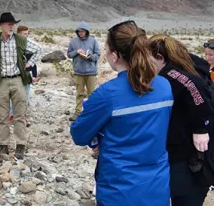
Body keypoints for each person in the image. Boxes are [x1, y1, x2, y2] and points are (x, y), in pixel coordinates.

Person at [71, 20, 174, 206]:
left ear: (115, 56)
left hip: (119, 190)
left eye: (106, 49)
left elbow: (79, 135)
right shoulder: (165, 86)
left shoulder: (107, 94)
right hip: (157, 186)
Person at [150, 35, 214, 206]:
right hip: (196, 161)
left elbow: (193, 86)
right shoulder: (190, 66)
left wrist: (200, 128)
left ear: (159, 58)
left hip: (190, 162)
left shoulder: (172, 73)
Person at [0, 12, 42, 159]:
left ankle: (20, 144)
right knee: (2, 115)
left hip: (18, 79)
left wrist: (29, 64)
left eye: (13, 24)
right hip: (1, 81)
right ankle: (3, 144)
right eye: (9, 24)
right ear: (1, 25)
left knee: (20, 113)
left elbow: (39, 49)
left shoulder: (20, 40)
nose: (12, 26)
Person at [67, 21, 100, 121]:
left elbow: (97, 55)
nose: (81, 33)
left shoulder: (93, 41)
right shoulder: (73, 41)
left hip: (91, 72)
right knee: (79, 93)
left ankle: (92, 113)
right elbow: (69, 54)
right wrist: (76, 52)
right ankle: (77, 112)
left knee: (92, 94)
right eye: (79, 31)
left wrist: (90, 57)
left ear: (86, 31)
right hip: (78, 72)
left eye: (83, 31)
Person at [9, 25, 38, 127]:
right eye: (24, 34)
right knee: (14, 95)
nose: (26, 36)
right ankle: (12, 116)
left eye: (27, 34)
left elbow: (33, 60)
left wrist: (34, 75)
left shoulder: (29, 46)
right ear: (18, 34)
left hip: (27, 74)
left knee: (24, 96)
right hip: (15, 74)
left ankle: (23, 116)